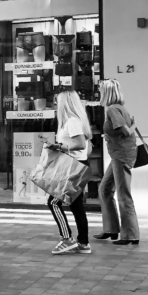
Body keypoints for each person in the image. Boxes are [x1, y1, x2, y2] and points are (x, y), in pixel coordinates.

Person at [45, 91, 93, 254]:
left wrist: (60, 147)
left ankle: (67, 239)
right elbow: (86, 147)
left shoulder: (72, 122)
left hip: (72, 166)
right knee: (76, 205)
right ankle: (83, 242)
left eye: (58, 102)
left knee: (53, 202)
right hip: (77, 164)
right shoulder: (77, 121)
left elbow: (79, 144)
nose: (56, 105)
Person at [95, 79, 140, 245]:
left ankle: (130, 235)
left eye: (101, 90)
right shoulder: (119, 108)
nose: (99, 92)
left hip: (121, 156)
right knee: (105, 189)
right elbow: (121, 132)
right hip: (118, 154)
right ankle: (111, 229)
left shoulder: (113, 109)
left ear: (107, 92)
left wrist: (134, 125)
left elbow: (126, 132)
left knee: (123, 195)